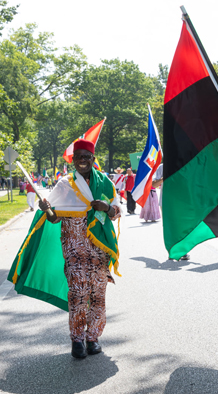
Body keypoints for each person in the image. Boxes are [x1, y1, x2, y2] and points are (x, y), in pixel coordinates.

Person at [37, 139, 122, 358]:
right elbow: (55, 218)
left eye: (87, 157)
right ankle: (77, 340)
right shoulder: (65, 184)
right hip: (74, 249)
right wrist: (46, 209)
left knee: (98, 295)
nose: (83, 160)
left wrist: (107, 207)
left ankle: (92, 338)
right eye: (79, 157)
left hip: (99, 251)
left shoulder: (105, 183)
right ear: (73, 160)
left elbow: (117, 211)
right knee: (78, 294)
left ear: (93, 159)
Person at [152, 164, 191, 261]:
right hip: (166, 201)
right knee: (170, 226)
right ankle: (172, 249)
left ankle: (183, 250)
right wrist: (163, 178)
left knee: (182, 226)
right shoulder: (162, 167)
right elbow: (154, 184)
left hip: (181, 200)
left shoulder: (185, 163)